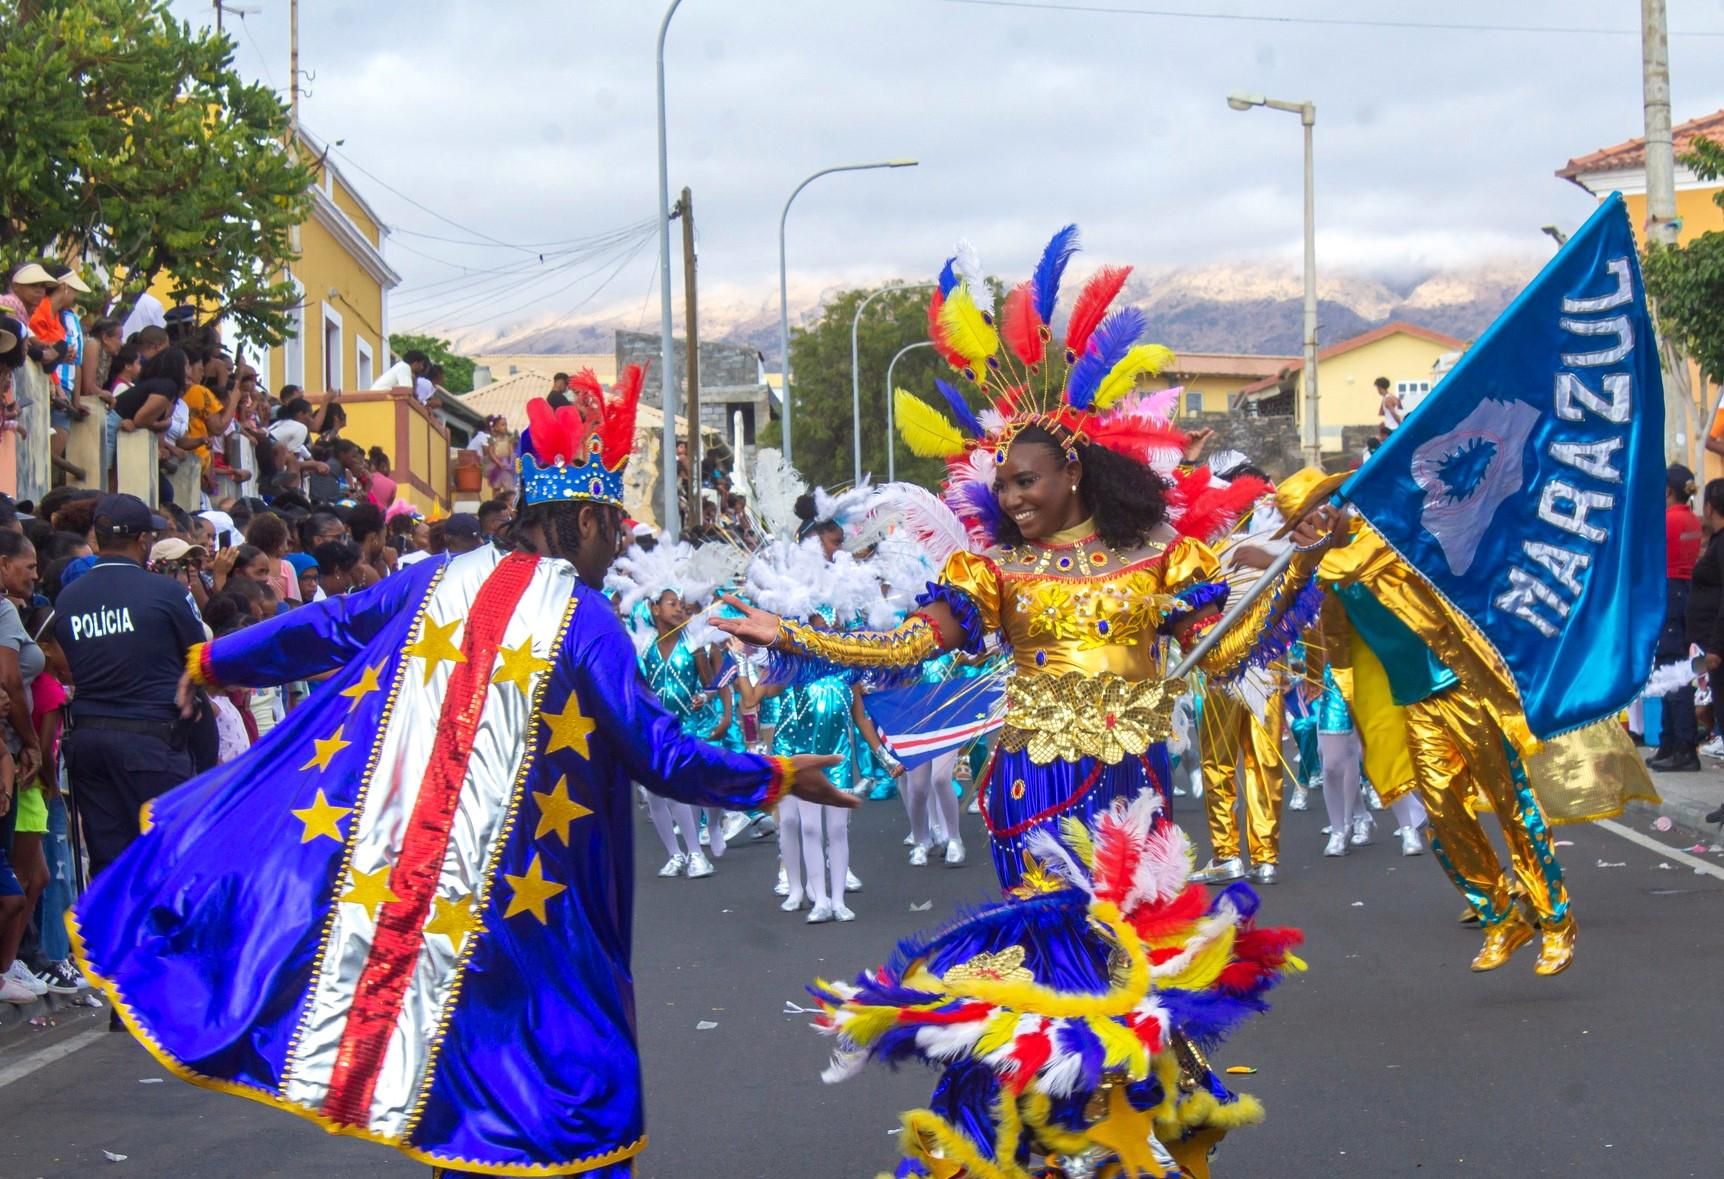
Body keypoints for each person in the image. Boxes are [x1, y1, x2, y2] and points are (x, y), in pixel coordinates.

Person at [70, 369, 852, 1177]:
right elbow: (663, 754)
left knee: (465, 1111)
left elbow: (322, 627)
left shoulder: (432, 579)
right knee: (578, 1112)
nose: (618, 547)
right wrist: (776, 776)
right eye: (613, 529)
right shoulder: (588, 620)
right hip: (543, 923)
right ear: (584, 521)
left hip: (440, 920)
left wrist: (212, 656)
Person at [717, 230, 1309, 1176]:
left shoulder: (1160, 556)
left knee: (1132, 958)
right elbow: (909, 642)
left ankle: (1121, 1131)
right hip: (1034, 782)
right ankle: (1037, 1134)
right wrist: (795, 637)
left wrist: (1299, 564)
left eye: (1024, 479)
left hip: (1133, 787)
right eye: (1001, 483)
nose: (1010, 495)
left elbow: (1230, 644)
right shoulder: (993, 570)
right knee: (1052, 956)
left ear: (1074, 470)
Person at [55, 494, 203, 878]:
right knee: (165, 863)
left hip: (89, 745)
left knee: (109, 868)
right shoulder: (168, 593)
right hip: (153, 745)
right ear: (142, 540)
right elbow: (201, 660)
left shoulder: (68, 598)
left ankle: (110, 938)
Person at [1651, 464, 1703, 771]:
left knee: (1671, 669)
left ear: (1668, 490)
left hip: (1668, 591)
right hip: (1686, 592)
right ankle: (1671, 741)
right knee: (1677, 665)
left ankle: (1682, 747)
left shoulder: (1666, 521)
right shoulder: (1692, 520)